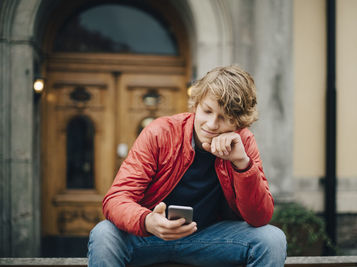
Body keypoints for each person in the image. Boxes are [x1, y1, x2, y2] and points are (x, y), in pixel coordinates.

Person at [87, 65, 287, 266]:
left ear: (239, 122)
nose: (211, 124)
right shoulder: (160, 133)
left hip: (210, 240)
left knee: (271, 239)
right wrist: (147, 221)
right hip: (149, 236)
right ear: (196, 105)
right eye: (207, 111)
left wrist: (242, 164)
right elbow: (116, 199)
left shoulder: (243, 142)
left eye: (224, 117)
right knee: (104, 233)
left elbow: (259, 217)